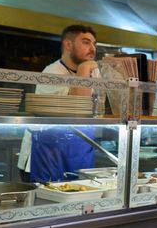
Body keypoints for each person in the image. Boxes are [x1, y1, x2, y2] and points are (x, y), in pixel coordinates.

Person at [17, 25, 101, 182]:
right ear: (68, 44)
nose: (92, 48)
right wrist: (84, 68)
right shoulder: (52, 73)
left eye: (94, 44)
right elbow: (77, 106)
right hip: (45, 155)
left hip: (78, 151)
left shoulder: (93, 72)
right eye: (86, 42)